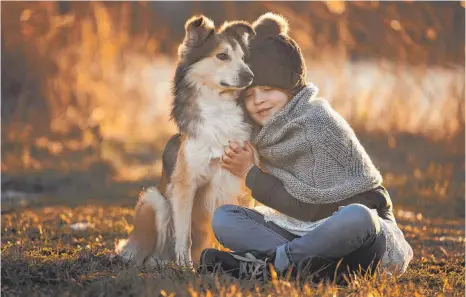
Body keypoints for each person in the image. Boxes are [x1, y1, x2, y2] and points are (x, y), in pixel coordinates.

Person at [198, 12, 413, 283]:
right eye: (249, 95)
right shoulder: (262, 134)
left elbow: (312, 209)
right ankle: (311, 269)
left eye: (267, 89)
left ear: (289, 87)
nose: (258, 101)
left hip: (361, 241)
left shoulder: (316, 124)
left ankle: (272, 265)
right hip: (302, 232)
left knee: (358, 217)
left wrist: (251, 174)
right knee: (225, 219)